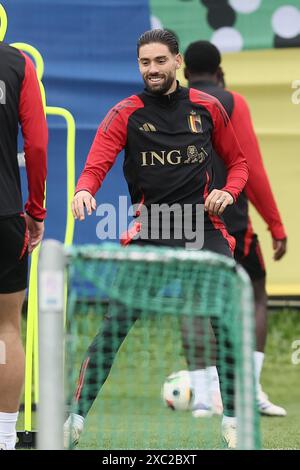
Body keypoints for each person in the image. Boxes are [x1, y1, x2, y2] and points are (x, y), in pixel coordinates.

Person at [67, 29, 249, 449]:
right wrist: (83, 191)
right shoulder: (125, 113)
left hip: (202, 229)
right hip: (151, 229)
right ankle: (73, 419)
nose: (152, 69)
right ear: (139, 66)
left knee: (225, 321)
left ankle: (236, 422)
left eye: (160, 61)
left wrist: (229, 190)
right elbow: (96, 165)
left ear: (177, 61)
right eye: (145, 63)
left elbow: (238, 163)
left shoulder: (207, 107)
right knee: (115, 325)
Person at [182, 40, 287, 418]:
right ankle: (249, 389)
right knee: (255, 295)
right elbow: (252, 168)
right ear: (220, 69)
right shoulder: (231, 101)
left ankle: (204, 397)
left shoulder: (171, 102)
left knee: (195, 300)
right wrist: (275, 224)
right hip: (232, 221)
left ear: (183, 69)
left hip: (186, 220)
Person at [0, 42, 48, 450]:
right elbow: (35, 144)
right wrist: (35, 210)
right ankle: (3, 439)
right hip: (5, 215)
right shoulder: (19, 63)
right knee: (5, 329)